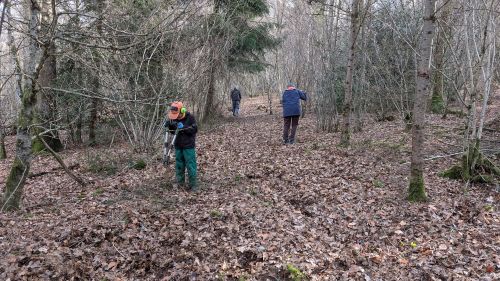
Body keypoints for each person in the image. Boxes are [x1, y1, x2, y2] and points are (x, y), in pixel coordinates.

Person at [165, 101, 199, 191]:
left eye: (177, 115)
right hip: (178, 145)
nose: (176, 117)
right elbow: (173, 132)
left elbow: (194, 129)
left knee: (190, 165)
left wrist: (183, 128)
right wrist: (170, 126)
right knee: (179, 164)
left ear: (182, 111)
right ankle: (180, 183)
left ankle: (193, 185)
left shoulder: (190, 117)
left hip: (188, 146)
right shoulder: (174, 118)